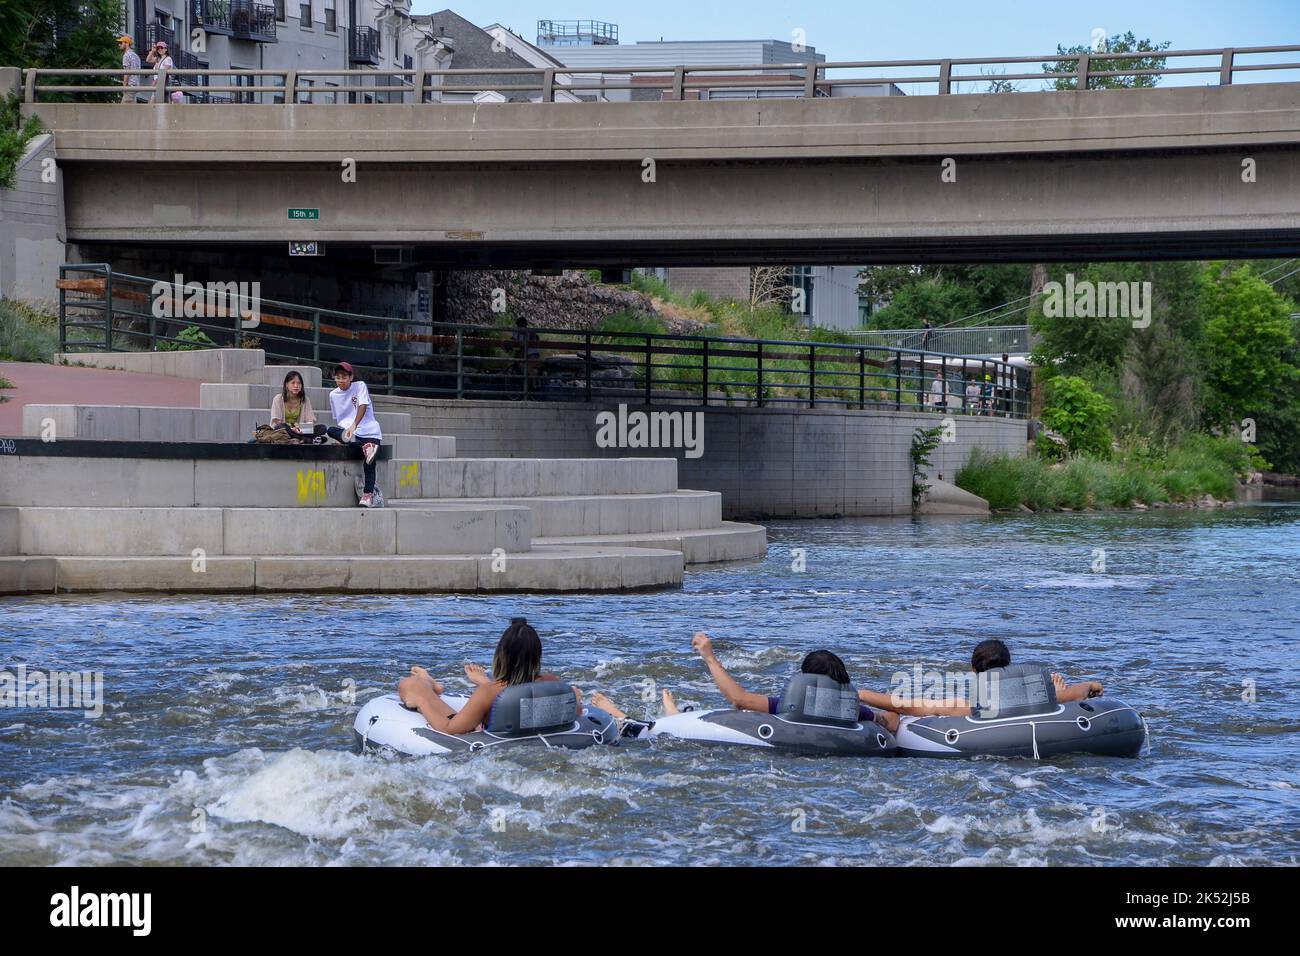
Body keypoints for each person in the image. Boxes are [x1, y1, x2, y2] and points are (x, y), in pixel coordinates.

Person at [397, 618, 579, 734]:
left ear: (502, 656)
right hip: (514, 722)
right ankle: (432, 684)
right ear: (537, 656)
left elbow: (449, 729)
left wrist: (421, 702)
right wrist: (576, 699)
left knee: (410, 684)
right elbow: (576, 712)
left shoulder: (488, 693)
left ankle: (427, 684)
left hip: (486, 733)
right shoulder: (553, 683)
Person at [690, 632, 900, 732]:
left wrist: (709, 657)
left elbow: (739, 700)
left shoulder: (787, 705)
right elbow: (890, 721)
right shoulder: (854, 711)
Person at [858, 639, 1105, 719]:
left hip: (985, 731)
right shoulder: (1052, 696)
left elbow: (914, 705)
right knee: (1057, 696)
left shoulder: (971, 707)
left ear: (973, 670)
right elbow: (1081, 691)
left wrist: (859, 694)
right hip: (1043, 710)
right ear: (1009, 667)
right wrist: (1091, 685)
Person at [327, 362, 383, 507]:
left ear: (351, 377)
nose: (341, 380)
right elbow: (340, 419)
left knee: (370, 461)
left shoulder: (360, 386)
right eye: (338, 377)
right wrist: (342, 438)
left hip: (369, 431)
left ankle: (367, 495)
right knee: (330, 430)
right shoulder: (333, 395)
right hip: (351, 435)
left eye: (344, 377)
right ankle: (365, 446)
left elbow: (362, 405)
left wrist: (354, 425)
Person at [269, 370, 318, 440]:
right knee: (280, 426)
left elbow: (310, 420)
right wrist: (292, 428)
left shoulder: (305, 400)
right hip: (283, 431)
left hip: (300, 430)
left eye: (299, 383)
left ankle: (300, 438)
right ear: (286, 385)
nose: (296, 386)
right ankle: (304, 439)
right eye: (293, 383)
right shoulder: (278, 399)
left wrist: (301, 427)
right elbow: (277, 421)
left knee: (322, 428)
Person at [117, 36, 141, 104]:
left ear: (127, 43)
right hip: (136, 84)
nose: (119, 44)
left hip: (130, 85)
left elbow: (126, 72)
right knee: (131, 108)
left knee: (123, 109)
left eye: (121, 43)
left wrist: (124, 86)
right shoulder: (135, 55)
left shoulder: (126, 55)